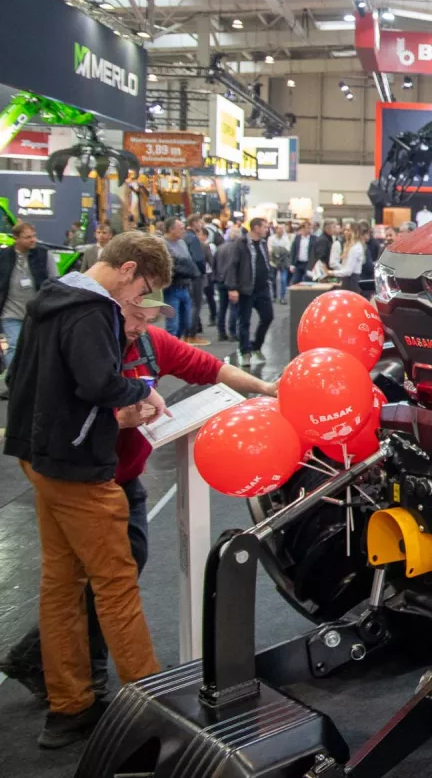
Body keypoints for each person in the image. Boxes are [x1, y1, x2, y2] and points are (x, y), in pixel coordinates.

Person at [0, 289, 278, 709]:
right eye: (135, 315)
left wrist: (264, 387)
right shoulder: (88, 340)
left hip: (119, 479)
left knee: (90, 576)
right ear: (119, 301)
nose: (139, 326)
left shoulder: (149, 343)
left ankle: (61, 678)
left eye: (148, 318)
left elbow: (211, 366)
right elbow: (69, 404)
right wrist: (119, 417)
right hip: (87, 479)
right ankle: (124, 693)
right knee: (107, 582)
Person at [3, 230, 172, 748]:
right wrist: (142, 393)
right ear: (128, 270)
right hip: (79, 467)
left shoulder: (50, 297)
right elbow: (98, 383)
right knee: (116, 585)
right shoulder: (93, 310)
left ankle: (69, 707)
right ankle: (153, 716)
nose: (139, 302)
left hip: (40, 459)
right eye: (143, 290)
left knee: (60, 586)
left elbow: (20, 381)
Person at [0, 222, 60, 375]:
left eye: (34, 236)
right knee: (14, 345)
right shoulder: (3, 256)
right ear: (16, 238)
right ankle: (14, 380)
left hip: (37, 311)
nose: (33, 240)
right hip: (10, 312)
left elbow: (55, 279)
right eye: (28, 237)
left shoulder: (44, 254)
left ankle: (30, 381)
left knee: (35, 347)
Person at [225, 217, 274, 366]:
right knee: (244, 322)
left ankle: (256, 346)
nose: (267, 229)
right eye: (265, 227)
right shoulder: (240, 244)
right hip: (246, 289)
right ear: (256, 228)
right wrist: (233, 288)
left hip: (262, 288)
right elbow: (233, 266)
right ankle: (245, 351)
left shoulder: (263, 244)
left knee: (268, 317)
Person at [161, 218, 199, 340]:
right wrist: (185, 268)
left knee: (186, 323)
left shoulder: (182, 243)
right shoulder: (162, 244)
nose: (184, 230)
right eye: (181, 228)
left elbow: (188, 262)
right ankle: (170, 351)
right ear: (171, 229)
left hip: (185, 287)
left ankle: (176, 345)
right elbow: (170, 266)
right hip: (172, 288)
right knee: (173, 324)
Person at [182, 215, 210, 345]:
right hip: (195, 275)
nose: (201, 224)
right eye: (199, 222)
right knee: (195, 305)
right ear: (194, 223)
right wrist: (201, 272)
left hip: (185, 275)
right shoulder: (193, 238)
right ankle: (191, 335)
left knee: (189, 305)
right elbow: (198, 258)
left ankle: (187, 334)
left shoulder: (184, 237)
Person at [213, 225, 242, 342]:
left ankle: (221, 332)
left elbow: (214, 263)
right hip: (232, 282)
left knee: (222, 308)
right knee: (234, 308)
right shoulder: (237, 249)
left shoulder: (220, 248)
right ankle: (233, 332)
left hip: (220, 281)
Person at [332, 224, 366, 293]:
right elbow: (345, 267)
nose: (345, 232)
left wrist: (331, 273)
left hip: (352, 282)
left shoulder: (355, 248)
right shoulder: (348, 245)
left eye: (348, 230)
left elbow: (348, 271)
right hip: (346, 280)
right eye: (345, 230)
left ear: (354, 232)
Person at [267, 223, 293, 304]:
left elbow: (287, 250)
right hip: (273, 262)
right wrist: (279, 250)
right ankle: (274, 296)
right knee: (273, 280)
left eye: (282, 229)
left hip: (283, 263)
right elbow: (270, 250)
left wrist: (277, 250)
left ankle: (282, 297)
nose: (280, 231)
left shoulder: (286, 239)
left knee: (283, 280)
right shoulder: (271, 238)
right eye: (279, 229)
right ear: (276, 230)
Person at [197, 226, 217, 329]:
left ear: (205, 236)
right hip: (202, 274)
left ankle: (213, 316)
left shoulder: (209, 246)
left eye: (199, 234)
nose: (198, 236)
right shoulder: (196, 245)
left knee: (210, 297)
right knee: (199, 299)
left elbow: (212, 260)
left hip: (208, 274)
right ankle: (198, 322)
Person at [289, 219, 320, 285]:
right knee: (294, 281)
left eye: (310, 228)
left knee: (307, 281)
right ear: (302, 228)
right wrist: (292, 264)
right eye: (307, 228)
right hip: (299, 263)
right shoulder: (297, 238)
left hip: (308, 263)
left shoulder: (314, 239)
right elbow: (293, 251)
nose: (309, 230)